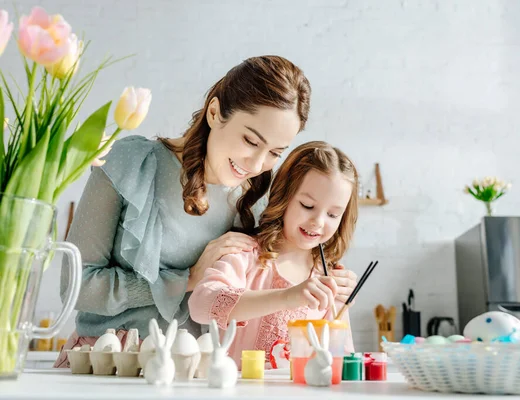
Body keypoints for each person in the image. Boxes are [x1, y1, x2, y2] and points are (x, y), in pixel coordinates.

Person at [53, 55, 357, 368]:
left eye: (274, 153)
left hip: (192, 372)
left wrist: (332, 280)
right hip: (108, 362)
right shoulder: (132, 164)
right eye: (251, 140)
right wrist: (186, 279)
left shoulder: (254, 199)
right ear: (214, 112)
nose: (256, 165)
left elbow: (283, 268)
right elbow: (77, 288)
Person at [189, 141, 358, 368]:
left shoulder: (329, 277)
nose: (318, 222)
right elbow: (200, 305)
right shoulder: (247, 254)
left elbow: (341, 356)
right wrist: (288, 297)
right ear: (284, 197)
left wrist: (343, 305)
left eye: (333, 214)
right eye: (307, 206)